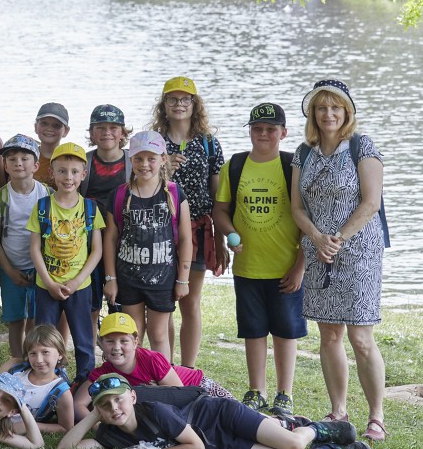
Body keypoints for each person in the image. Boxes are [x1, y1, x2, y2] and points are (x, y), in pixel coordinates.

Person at [291, 79, 388, 442]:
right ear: (312, 113)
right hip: (318, 253)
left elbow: (371, 202)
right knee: (329, 335)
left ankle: (376, 416)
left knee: (361, 337)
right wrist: (318, 238)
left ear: (347, 112)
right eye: (321, 107)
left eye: (335, 107)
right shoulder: (304, 153)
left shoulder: (362, 147)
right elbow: (297, 208)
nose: (328, 114)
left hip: (359, 253)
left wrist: (338, 238)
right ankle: (338, 411)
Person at [59, 374, 371, 449]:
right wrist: (93, 416)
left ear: (133, 397)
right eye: (106, 405)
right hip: (221, 445)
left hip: (221, 416)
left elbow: (194, 446)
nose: (115, 408)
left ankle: (314, 427)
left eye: (118, 400)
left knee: (292, 444)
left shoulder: (154, 411)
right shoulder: (110, 435)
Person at [213, 103, 305, 416]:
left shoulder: (293, 166)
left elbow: (308, 220)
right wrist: (230, 233)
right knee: (253, 331)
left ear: (284, 132)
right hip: (248, 267)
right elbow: (220, 210)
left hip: (285, 267)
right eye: (257, 129)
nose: (263, 134)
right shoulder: (236, 165)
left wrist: (300, 266)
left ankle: (284, 393)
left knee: (285, 331)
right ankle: (256, 390)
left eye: (270, 129)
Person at [150, 76, 228, 367]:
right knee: (164, 302)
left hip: (198, 229)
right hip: (159, 231)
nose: (179, 105)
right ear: (164, 105)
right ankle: (167, 366)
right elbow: (141, 187)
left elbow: (217, 196)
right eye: (173, 99)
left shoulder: (209, 143)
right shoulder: (154, 143)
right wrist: (164, 170)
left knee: (190, 300)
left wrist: (220, 239)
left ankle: (188, 368)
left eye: (186, 100)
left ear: (195, 105)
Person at [103, 131, 192, 361]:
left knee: (159, 334)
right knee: (133, 334)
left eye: (151, 158)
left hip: (162, 278)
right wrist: (111, 278)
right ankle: (137, 378)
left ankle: (162, 379)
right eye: (139, 158)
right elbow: (110, 239)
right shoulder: (120, 195)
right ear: (131, 159)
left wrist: (183, 279)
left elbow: (185, 239)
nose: (144, 164)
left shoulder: (174, 193)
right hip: (128, 277)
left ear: (163, 159)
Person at [27, 142, 105, 387]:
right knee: (45, 340)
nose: (68, 177)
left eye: (74, 172)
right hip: (46, 286)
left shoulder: (90, 209)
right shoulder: (42, 207)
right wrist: (49, 282)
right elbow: (34, 249)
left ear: (83, 175)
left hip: (79, 287)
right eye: (62, 171)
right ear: (52, 173)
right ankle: (48, 381)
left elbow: (97, 250)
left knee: (83, 340)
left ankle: (84, 384)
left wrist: (77, 281)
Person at [73, 313, 233, 419]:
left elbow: (182, 394)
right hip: (174, 404)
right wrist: (98, 425)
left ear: (135, 342)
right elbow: (78, 404)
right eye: (109, 341)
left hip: (198, 386)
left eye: (123, 341)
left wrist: (157, 392)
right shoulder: (102, 373)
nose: (116, 347)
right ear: (101, 343)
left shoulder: (151, 359)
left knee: (233, 413)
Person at [0, 134, 49, 358]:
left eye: (24, 158)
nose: (18, 163)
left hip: (40, 267)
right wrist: (10, 270)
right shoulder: (0, 197)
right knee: (15, 319)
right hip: (10, 266)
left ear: (36, 165)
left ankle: (33, 357)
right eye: (11, 159)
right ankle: (17, 359)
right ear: (5, 165)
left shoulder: (46, 195)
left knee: (35, 317)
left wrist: (42, 269)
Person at [78, 104, 132, 338]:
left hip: (123, 245)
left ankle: (121, 352)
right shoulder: (84, 162)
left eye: (113, 127)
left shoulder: (133, 162)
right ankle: (90, 354)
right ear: (91, 133)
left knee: (121, 306)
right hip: (89, 244)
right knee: (90, 305)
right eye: (100, 127)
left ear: (122, 132)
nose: (107, 132)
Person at [0, 324, 74, 434]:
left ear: (60, 354)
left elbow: (66, 427)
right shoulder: (16, 366)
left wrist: (29, 426)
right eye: (33, 353)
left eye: (45, 352)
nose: (39, 360)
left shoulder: (60, 391)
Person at [33, 102, 70, 188]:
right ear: (35, 127)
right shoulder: (25, 158)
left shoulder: (71, 159)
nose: (49, 129)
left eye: (56, 125)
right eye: (44, 123)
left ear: (66, 131)